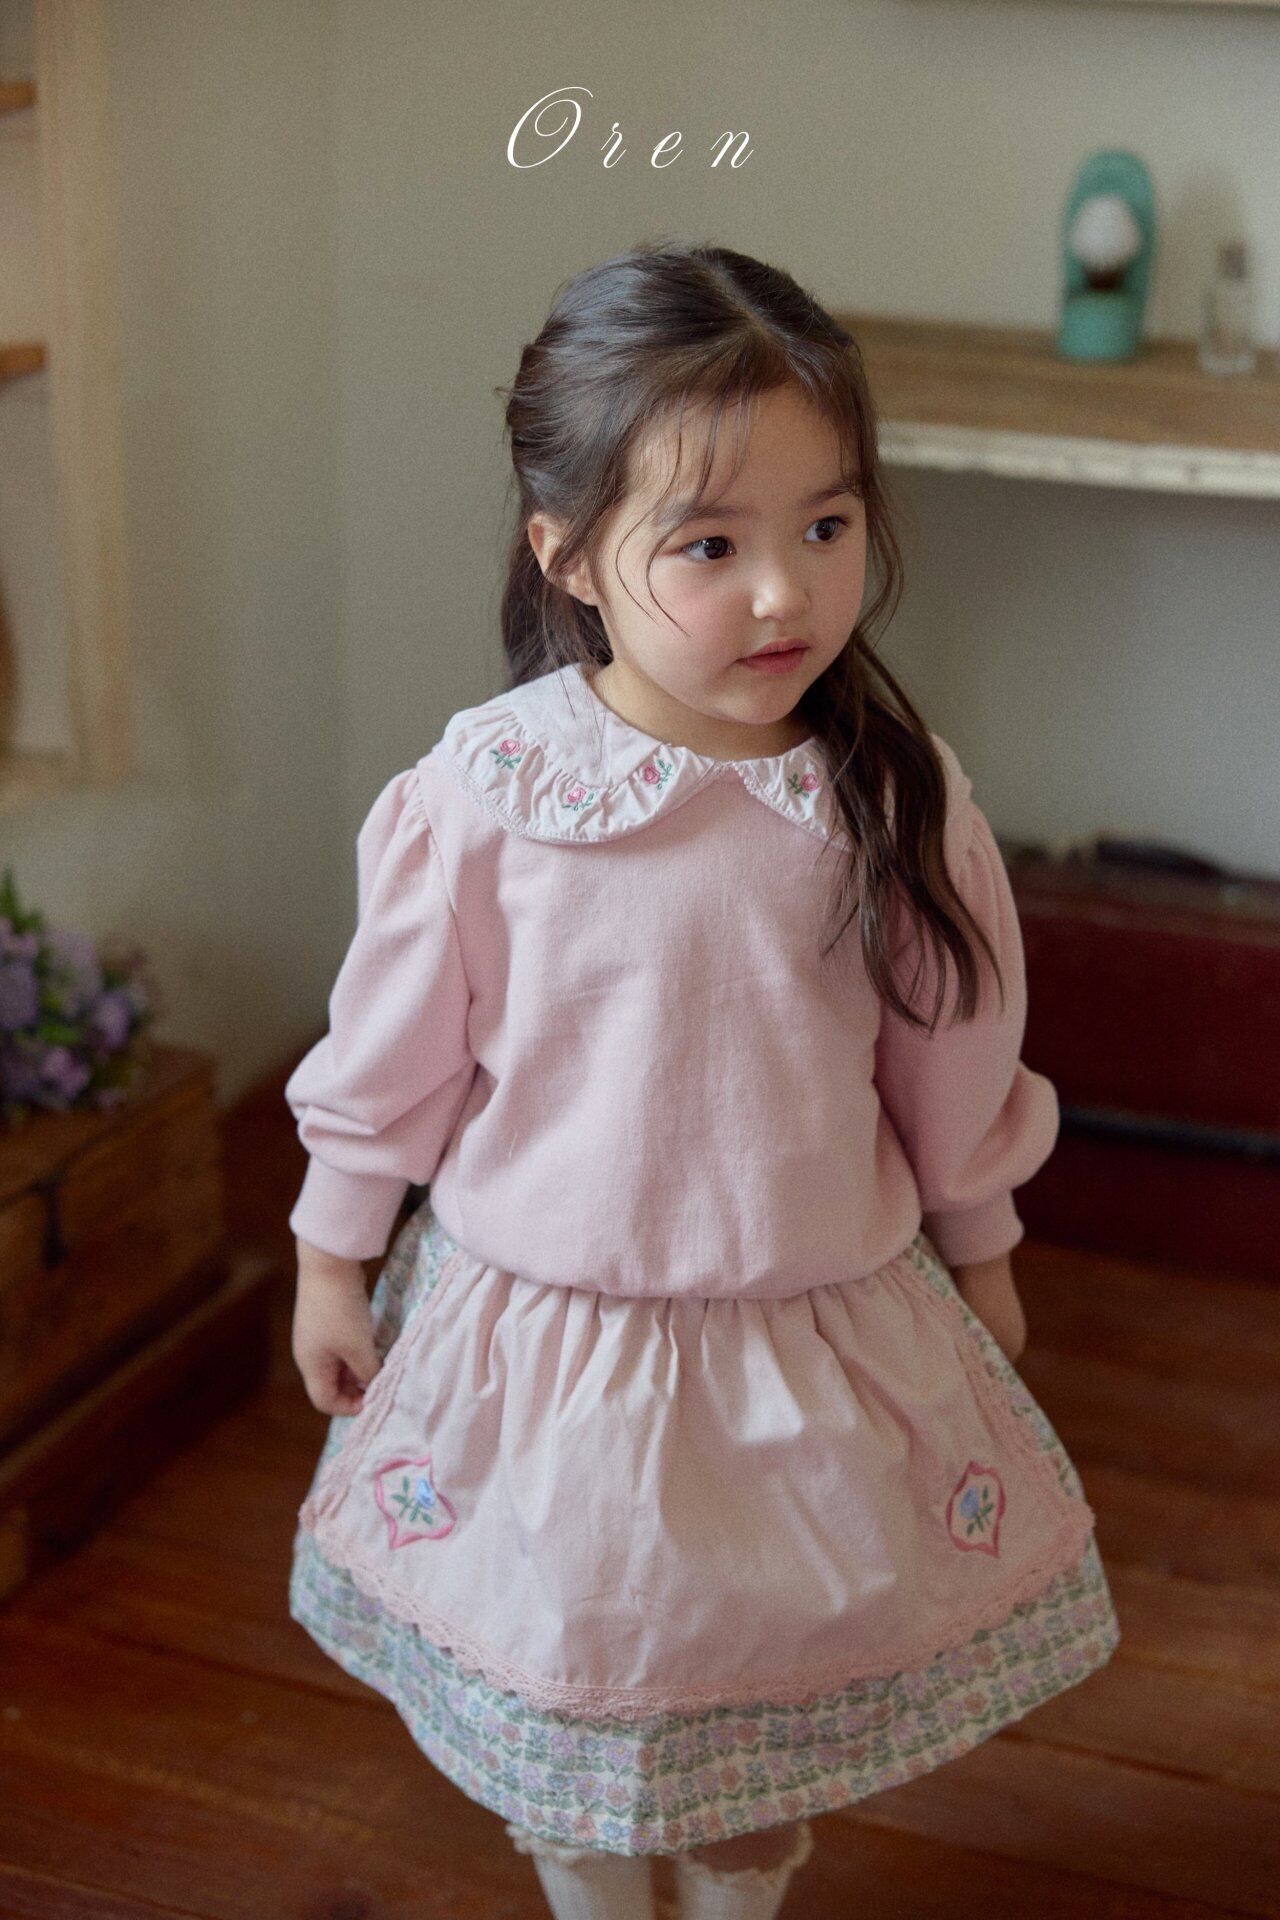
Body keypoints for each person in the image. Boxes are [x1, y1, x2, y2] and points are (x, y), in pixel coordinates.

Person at [285, 241, 1121, 1920]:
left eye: (827, 525)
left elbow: (952, 1060)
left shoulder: (887, 795)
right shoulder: (490, 796)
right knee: (577, 1731)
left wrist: (984, 1249)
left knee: (757, 1736)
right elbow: (392, 1057)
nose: (784, 595)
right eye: (711, 545)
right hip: (553, 1364)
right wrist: (328, 1250)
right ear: (568, 555)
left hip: (794, 1361)